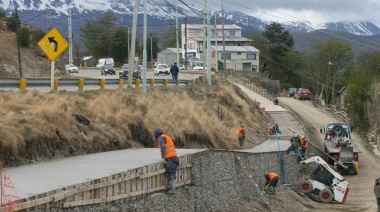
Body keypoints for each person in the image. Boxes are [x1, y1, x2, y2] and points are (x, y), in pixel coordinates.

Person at [153, 128, 179, 194]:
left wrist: (163, 157)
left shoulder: (160, 138)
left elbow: (163, 146)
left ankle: (172, 190)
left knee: (170, 174)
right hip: (175, 158)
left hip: (170, 158)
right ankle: (168, 189)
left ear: (156, 136)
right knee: (169, 173)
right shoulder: (167, 136)